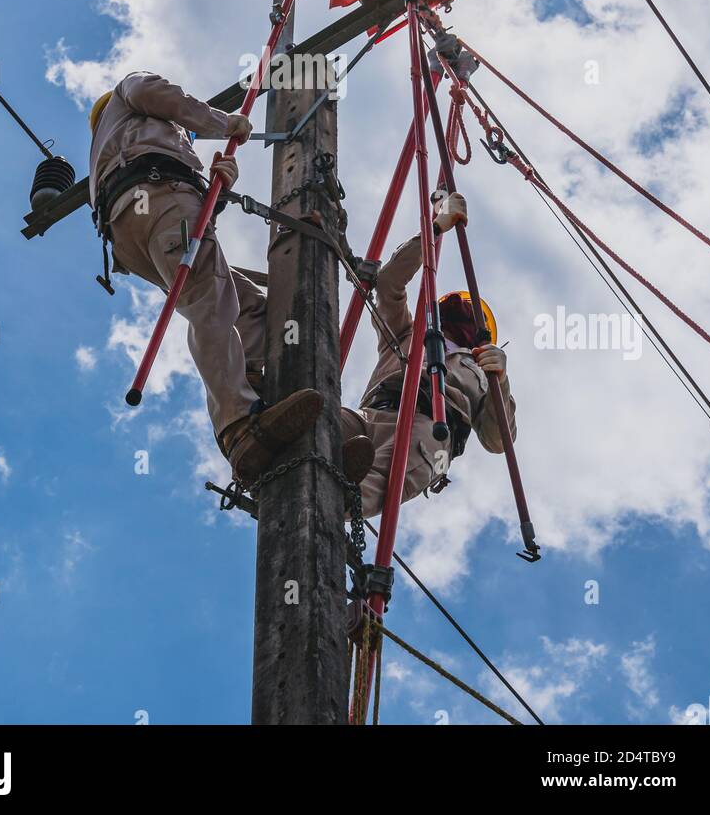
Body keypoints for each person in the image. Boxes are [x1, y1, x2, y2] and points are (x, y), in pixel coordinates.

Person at [88, 75, 323, 486]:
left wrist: (217, 184)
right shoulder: (130, 95)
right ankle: (238, 425)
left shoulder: (116, 149)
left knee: (242, 301)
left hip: (130, 231)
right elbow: (157, 93)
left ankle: (248, 378)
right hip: (158, 196)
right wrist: (223, 123)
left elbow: (183, 231)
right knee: (208, 298)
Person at [341, 190, 517, 517]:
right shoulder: (411, 332)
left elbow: (498, 442)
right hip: (371, 415)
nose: (460, 316)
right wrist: (434, 230)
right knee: (315, 425)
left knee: (370, 487)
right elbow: (389, 283)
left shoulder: (480, 373)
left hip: (430, 427)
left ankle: (323, 509)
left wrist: (500, 383)